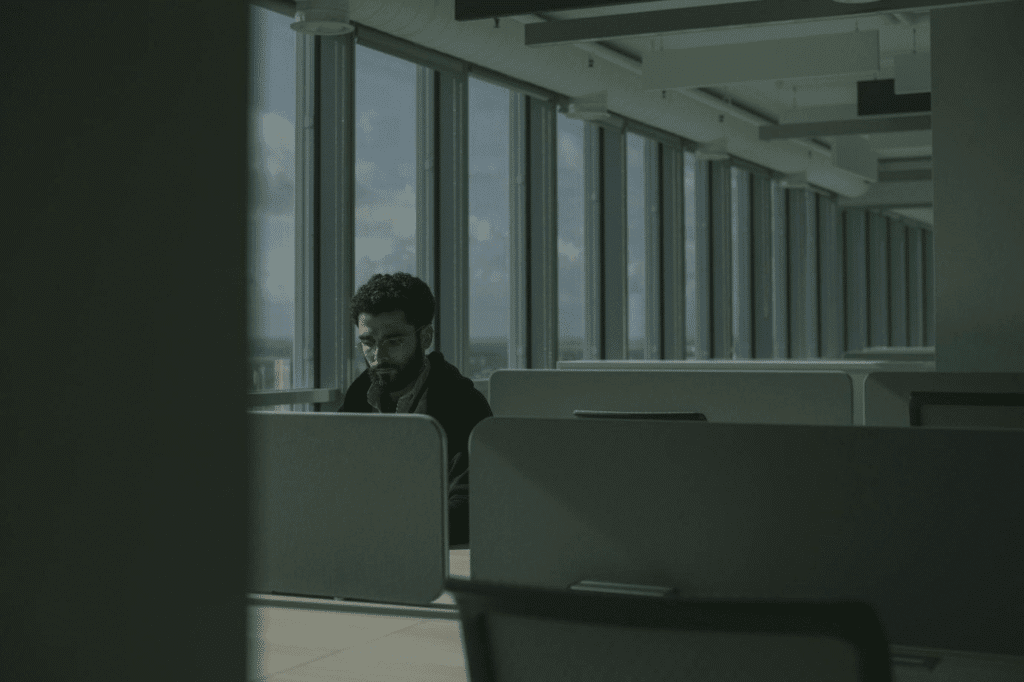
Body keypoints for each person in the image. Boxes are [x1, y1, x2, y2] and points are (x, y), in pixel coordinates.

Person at [340, 272, 492, 546]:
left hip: (427, 549)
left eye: (393, 341)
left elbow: (468, 506)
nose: (378, 356)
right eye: (368, 342)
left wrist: (382, 528)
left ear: (425, 337)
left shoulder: (462, 405)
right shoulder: (359, 396)